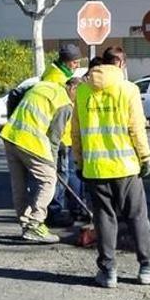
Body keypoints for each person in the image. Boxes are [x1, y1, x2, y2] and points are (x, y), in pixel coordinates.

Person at [71, 45, 150, 289]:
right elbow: (136, 128)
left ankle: (108, 271)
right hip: (126, 167)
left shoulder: (83, 92)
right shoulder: (128, 89)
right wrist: (146, 157)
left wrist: (79, 161)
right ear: (120, 64)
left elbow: (75, 132)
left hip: (95, 169)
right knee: (137, 217)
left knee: (104, 219)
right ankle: (149, 266)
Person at [0, 51, 80, 243]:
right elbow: (54, 139)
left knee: (19, 184)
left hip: (10, 136)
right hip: (30, 141)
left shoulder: (43, 85)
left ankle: (26, 224)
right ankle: (35, 223)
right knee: (48, 180)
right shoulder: (64, 103)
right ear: (73, 90)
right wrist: (52, 163)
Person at [48, 43, 89, 227]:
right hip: (61, 136)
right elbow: (60, 109)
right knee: (61, 175)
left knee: (67, 174)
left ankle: (74, 209)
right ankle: (55, 212)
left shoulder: (59, 74)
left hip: (65, 135)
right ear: (67, 61)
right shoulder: (56, 78)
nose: (77, 66)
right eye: (75, 62)